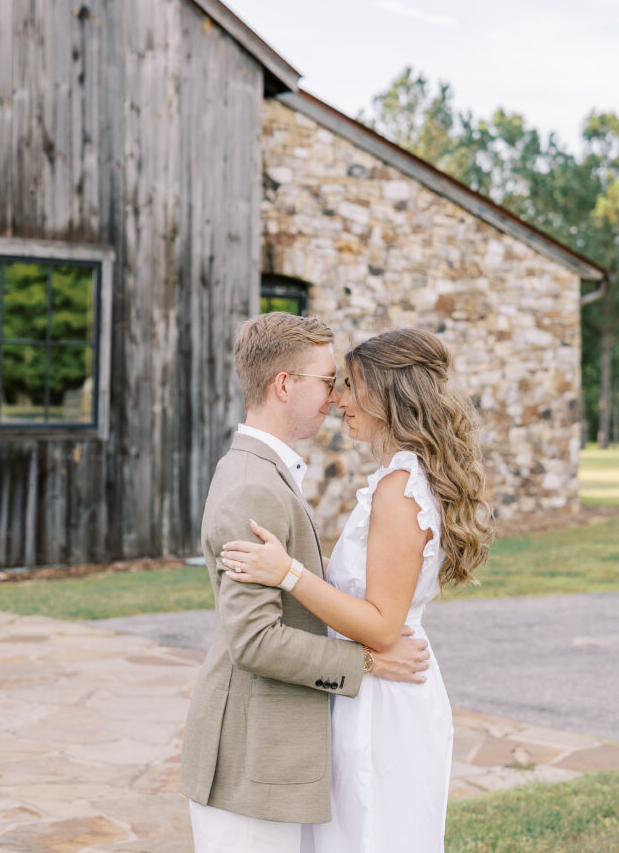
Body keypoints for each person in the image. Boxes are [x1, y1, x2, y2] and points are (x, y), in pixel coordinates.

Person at [221, 328, 492, 853]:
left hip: (384, 704)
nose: (338, 398)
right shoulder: (400, 477)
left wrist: (287, 574)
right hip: (374, 690)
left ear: (387, 394)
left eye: (350, 385)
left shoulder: (399, 488)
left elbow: (381, 624)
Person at [178, 313, 430, 853]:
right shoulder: (253, 485)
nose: (336, 394)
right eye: (327, 379)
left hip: (273, 755)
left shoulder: (268, 472)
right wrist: (368, 662)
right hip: (249, 759)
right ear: (284, 384)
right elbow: (254, 640)